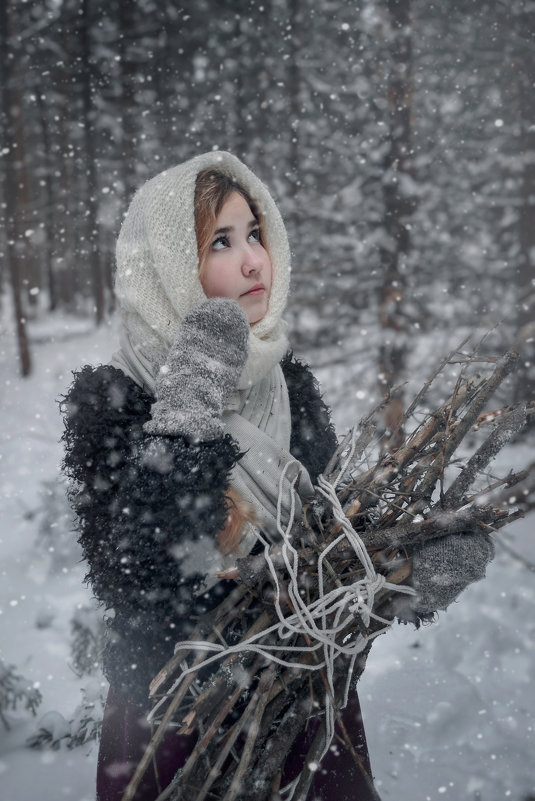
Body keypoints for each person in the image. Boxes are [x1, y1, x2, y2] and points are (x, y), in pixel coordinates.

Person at [62, 151, 494, 801]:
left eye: (255, 233)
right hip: (177, 713)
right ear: (167, 267)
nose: (252, 259)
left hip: (305, 705)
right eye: (221, 241)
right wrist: (190, 403)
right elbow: (137, 574)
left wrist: (401, 572)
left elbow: (325, 541)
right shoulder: (112, 400)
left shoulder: (282, 380)